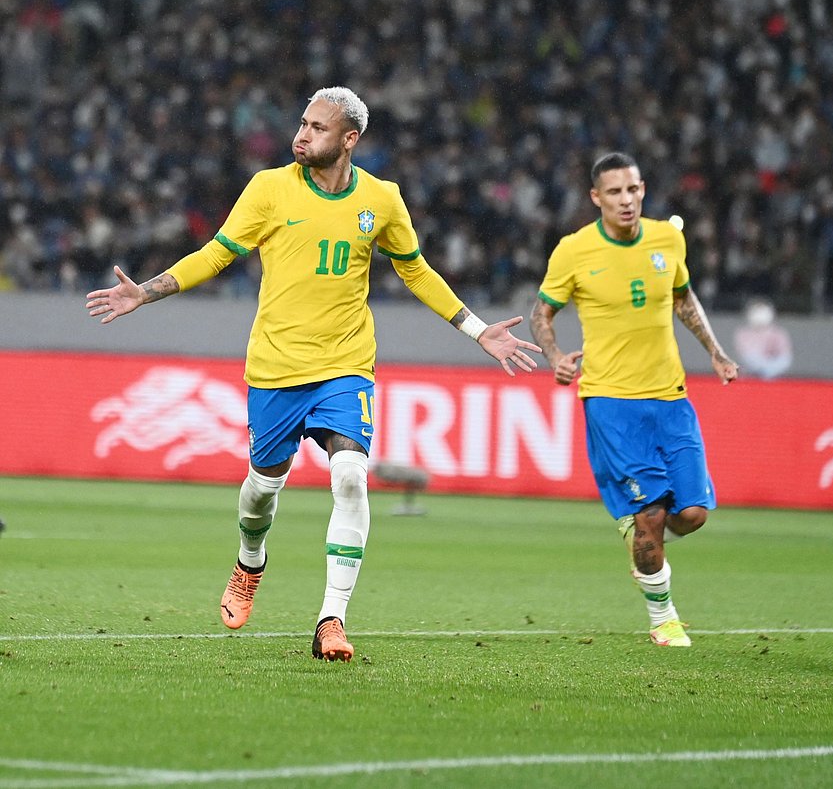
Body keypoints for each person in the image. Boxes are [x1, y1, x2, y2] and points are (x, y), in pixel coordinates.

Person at [85, 87, 540, 661]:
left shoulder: (382, 198)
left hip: (346, 365)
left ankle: (331, 619)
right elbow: (217, 253)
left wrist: (478, 330)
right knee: (260, 495)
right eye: (301, 124)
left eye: (317, 128)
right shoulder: (269, 189)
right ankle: (251, 562)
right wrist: (146, 293)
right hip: (275, 368)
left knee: (351, 475)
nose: (301, 135)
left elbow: (416, 271)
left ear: (350, 139)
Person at [530, 152, 738, 647]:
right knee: (650, 522)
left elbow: (684, 299)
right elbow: (542, 314)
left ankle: (643, 540)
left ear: (642, 190)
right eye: (615, 192)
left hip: (670, 397)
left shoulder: (668, 238)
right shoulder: (574, 250)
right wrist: (555, 355)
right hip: (611, 402)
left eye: (633, 190)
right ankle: (662, 617)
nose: (626, 200)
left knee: (691, 515)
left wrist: (716, 351)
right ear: (596, 198)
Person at [733, 297, 793, 379]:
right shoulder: (743, 333)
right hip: (751, 372)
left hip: (774, 370)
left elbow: (785, 357)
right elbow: (747, 357)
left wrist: (771, 365)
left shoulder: (779, 333)